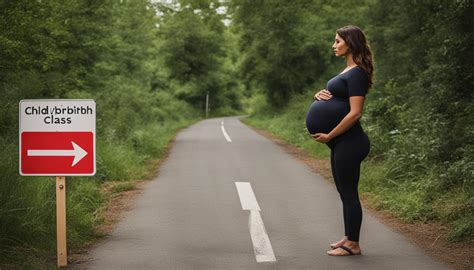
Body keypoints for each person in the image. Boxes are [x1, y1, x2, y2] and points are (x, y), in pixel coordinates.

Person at [305, 25, 374, 256]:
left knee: (350, 193)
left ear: (350, 43)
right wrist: (320, 94)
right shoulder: (348, 71)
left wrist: (329, 135)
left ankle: (353, 244)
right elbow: (339, 97)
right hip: (341, 143)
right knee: (344, 193)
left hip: (350, 142)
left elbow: (355, 112)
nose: (333, 46)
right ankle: (348, 237)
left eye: (337, 41)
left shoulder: (357, 73)